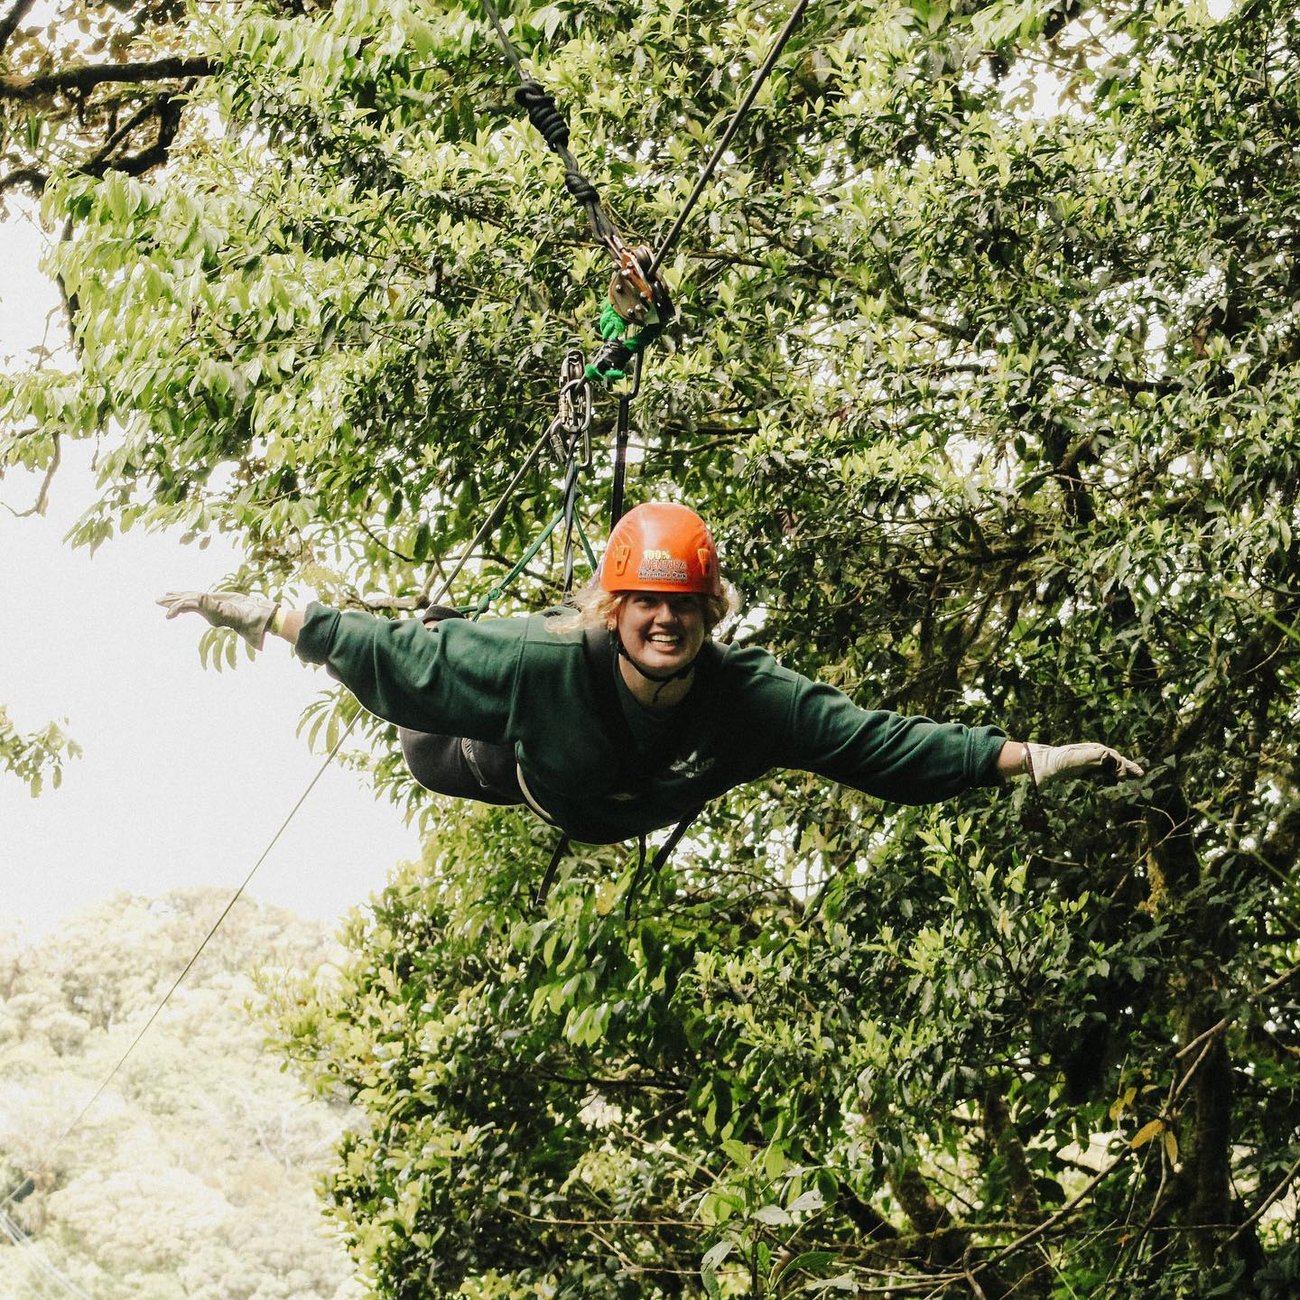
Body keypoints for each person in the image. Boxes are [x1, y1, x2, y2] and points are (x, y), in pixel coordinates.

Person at [158, 502, 1142, 845]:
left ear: (708, 612)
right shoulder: (546, 658)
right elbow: (389, 658)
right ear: (614, 607)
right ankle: (457, 637)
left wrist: (1033, 756)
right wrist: (265, 614)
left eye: (681, 605)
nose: (664, 619)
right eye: (645, 604)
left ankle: (463, 658)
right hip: (514, 761)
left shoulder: (747, 695)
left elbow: (880, 746)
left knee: (471, 670)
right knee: (437, 704)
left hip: (633, 794)